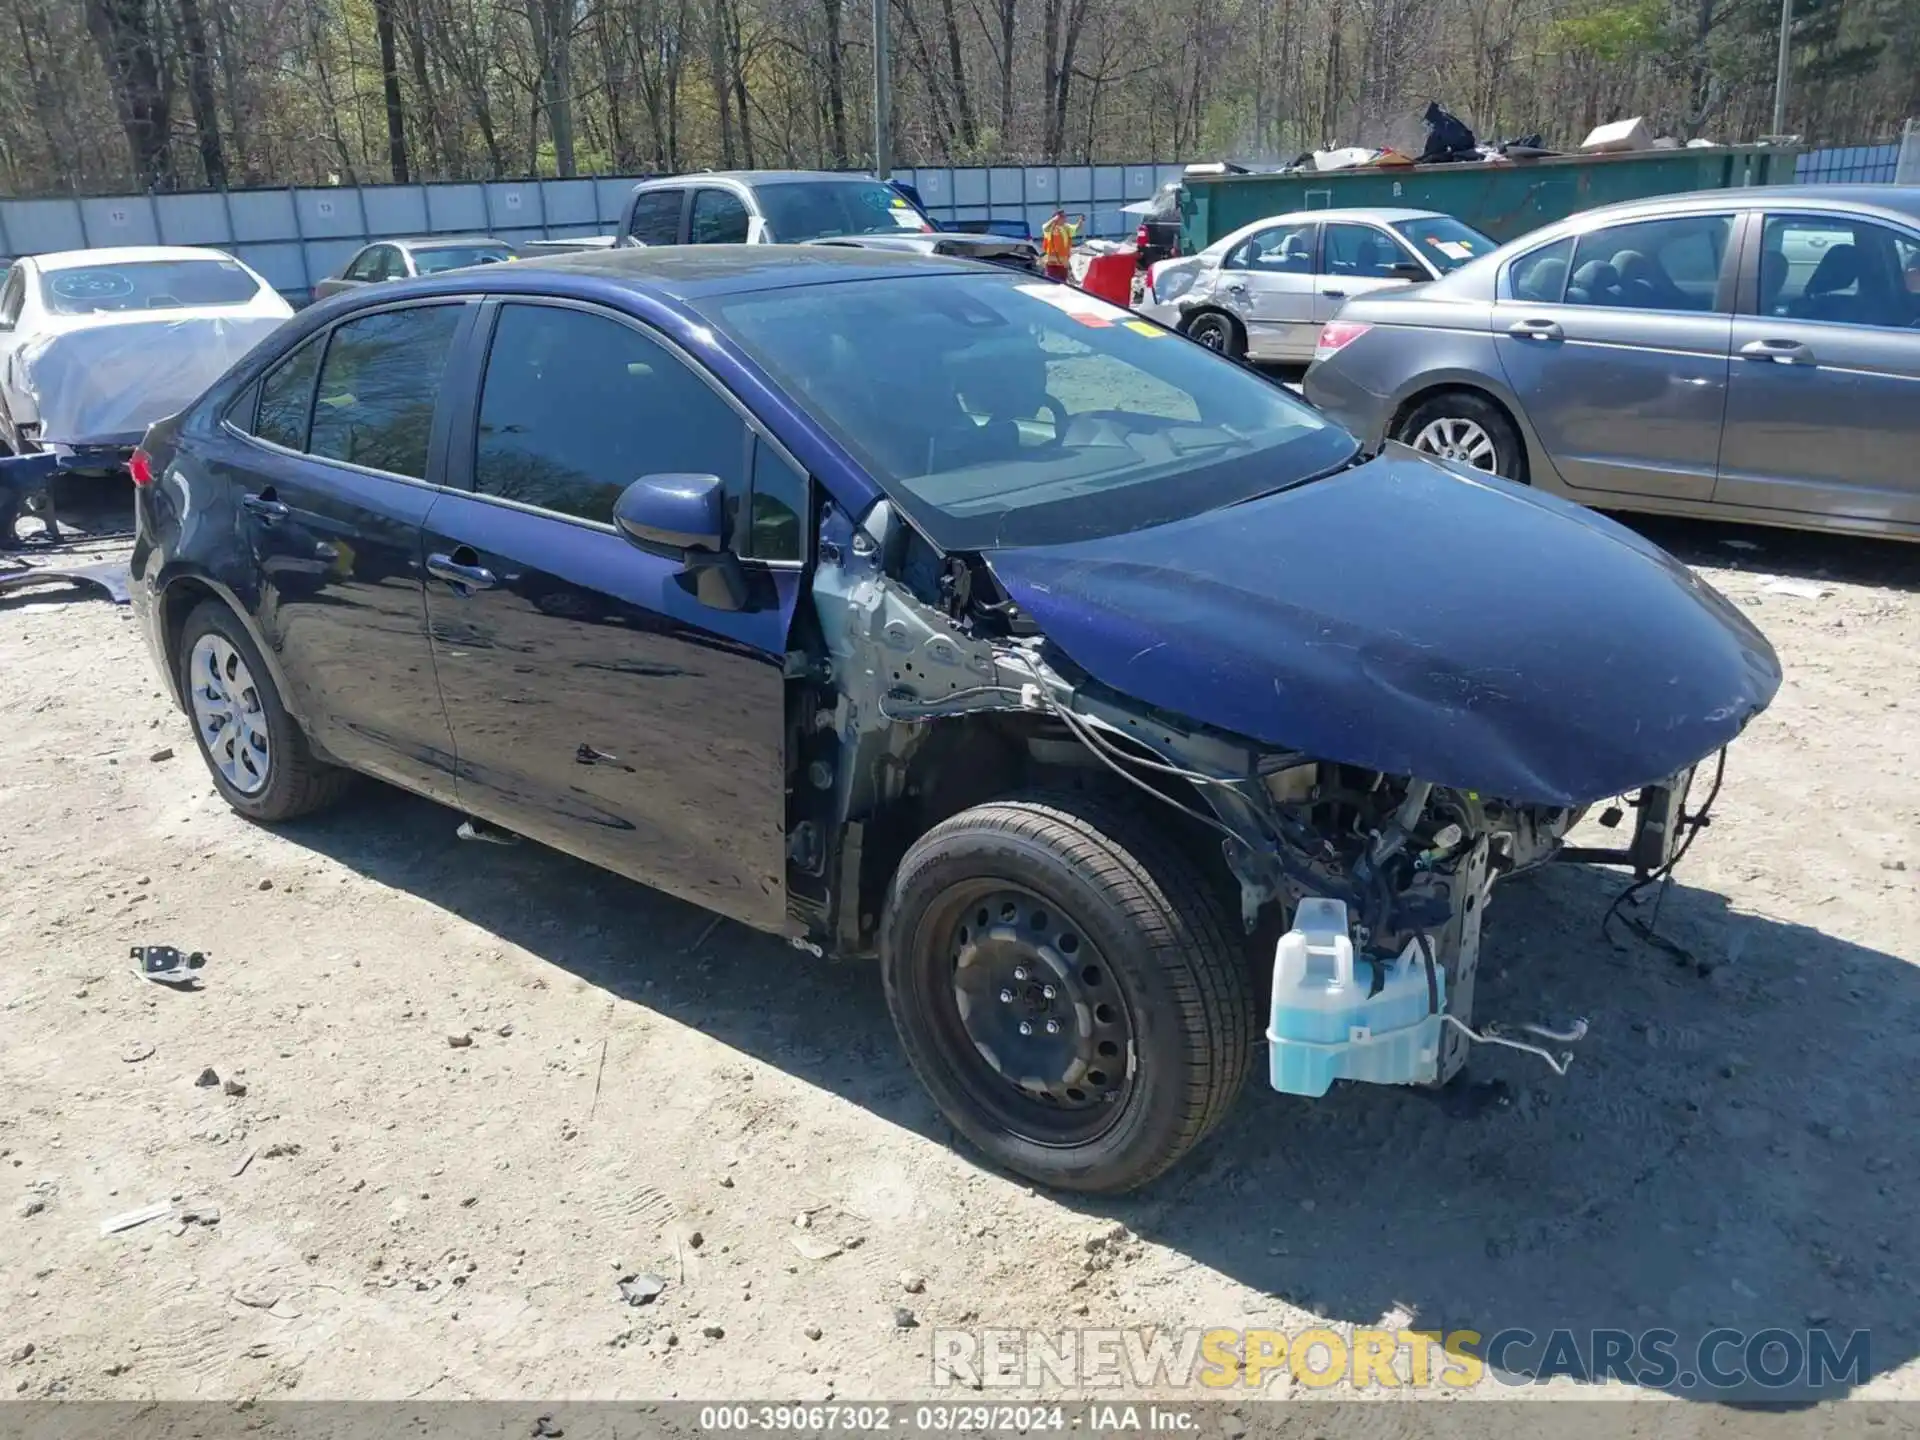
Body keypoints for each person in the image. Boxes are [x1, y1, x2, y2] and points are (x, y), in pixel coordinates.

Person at [1040, 207, 1083, 283]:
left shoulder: (1066, 227)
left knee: (1063, 284)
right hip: (1052, 263)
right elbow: (1045, 228)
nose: (1065, 218)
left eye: (1065, 216)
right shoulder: (1051, 228)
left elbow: (1076, 229)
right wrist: (1053, 220)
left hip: (1063, 263)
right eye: (1062, 217)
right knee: (1051, 283)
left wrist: (1081, 221)